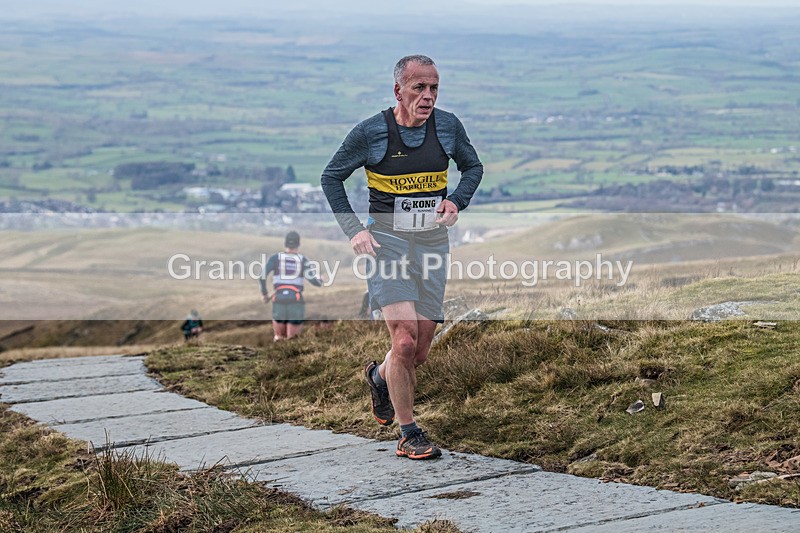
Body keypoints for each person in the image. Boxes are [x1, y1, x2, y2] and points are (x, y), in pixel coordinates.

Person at [321, 55, 483, 460]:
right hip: (387, 245)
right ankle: (409, 432)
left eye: (434, 89)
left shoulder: (447, 126)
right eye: (418, 88)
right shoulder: (373, 132)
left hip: (431, 245)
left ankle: (379, 375)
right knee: (404, 337)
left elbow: (473, 167)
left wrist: (456, 202)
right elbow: (331, 176)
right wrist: (355, 230)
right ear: (399, 91)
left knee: (419, 350)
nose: (427, 96)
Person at [259, 231, 323, 340]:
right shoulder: (303, 260)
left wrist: (265, 294)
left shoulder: (275, 258)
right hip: (295, 301)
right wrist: (320, 280)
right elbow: (314, 282)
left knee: (279, 338)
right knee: (293, 340)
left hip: (278, 299)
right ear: (298, 244)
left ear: (285, 244)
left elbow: (262, 276)